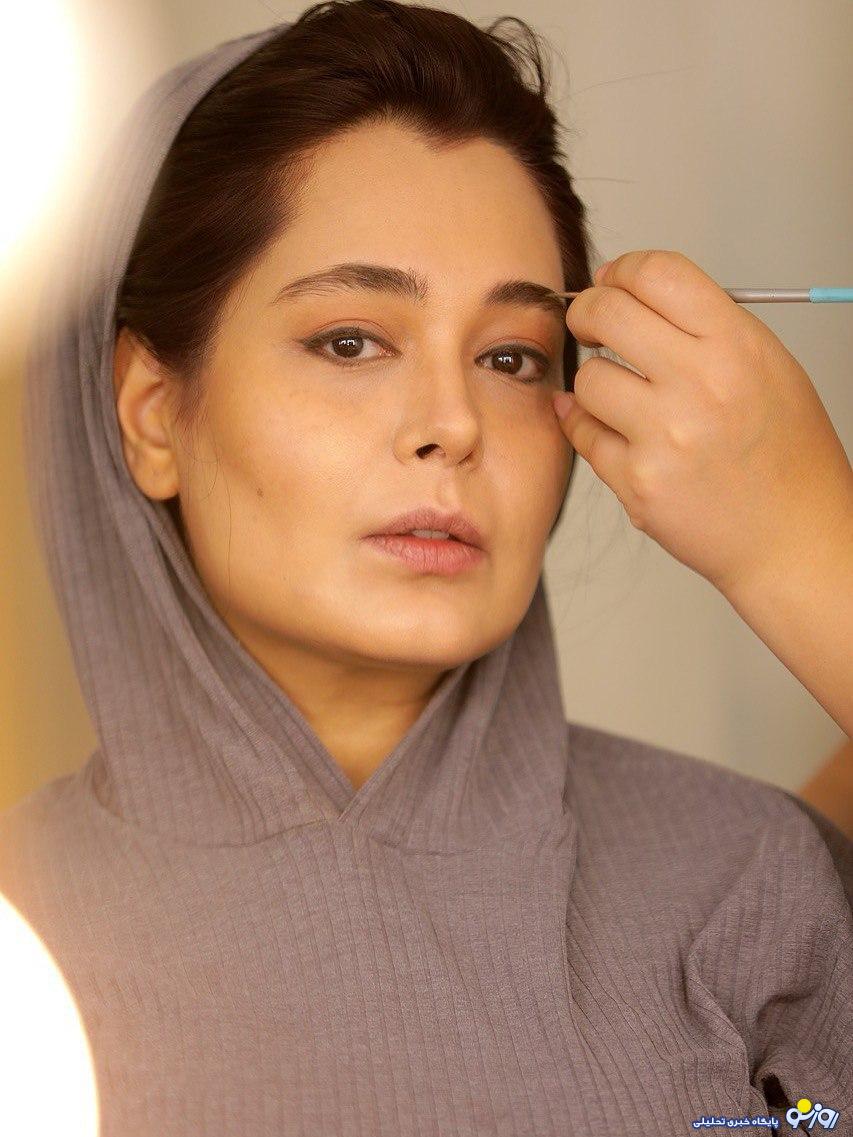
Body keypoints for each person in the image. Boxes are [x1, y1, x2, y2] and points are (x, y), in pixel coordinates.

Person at [0, 3, 850, 1134]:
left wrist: (808, 543)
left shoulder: (753, 883)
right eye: (350, 341)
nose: (452, 423)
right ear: (153, 412)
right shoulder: (20, 945)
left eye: (510, 358)